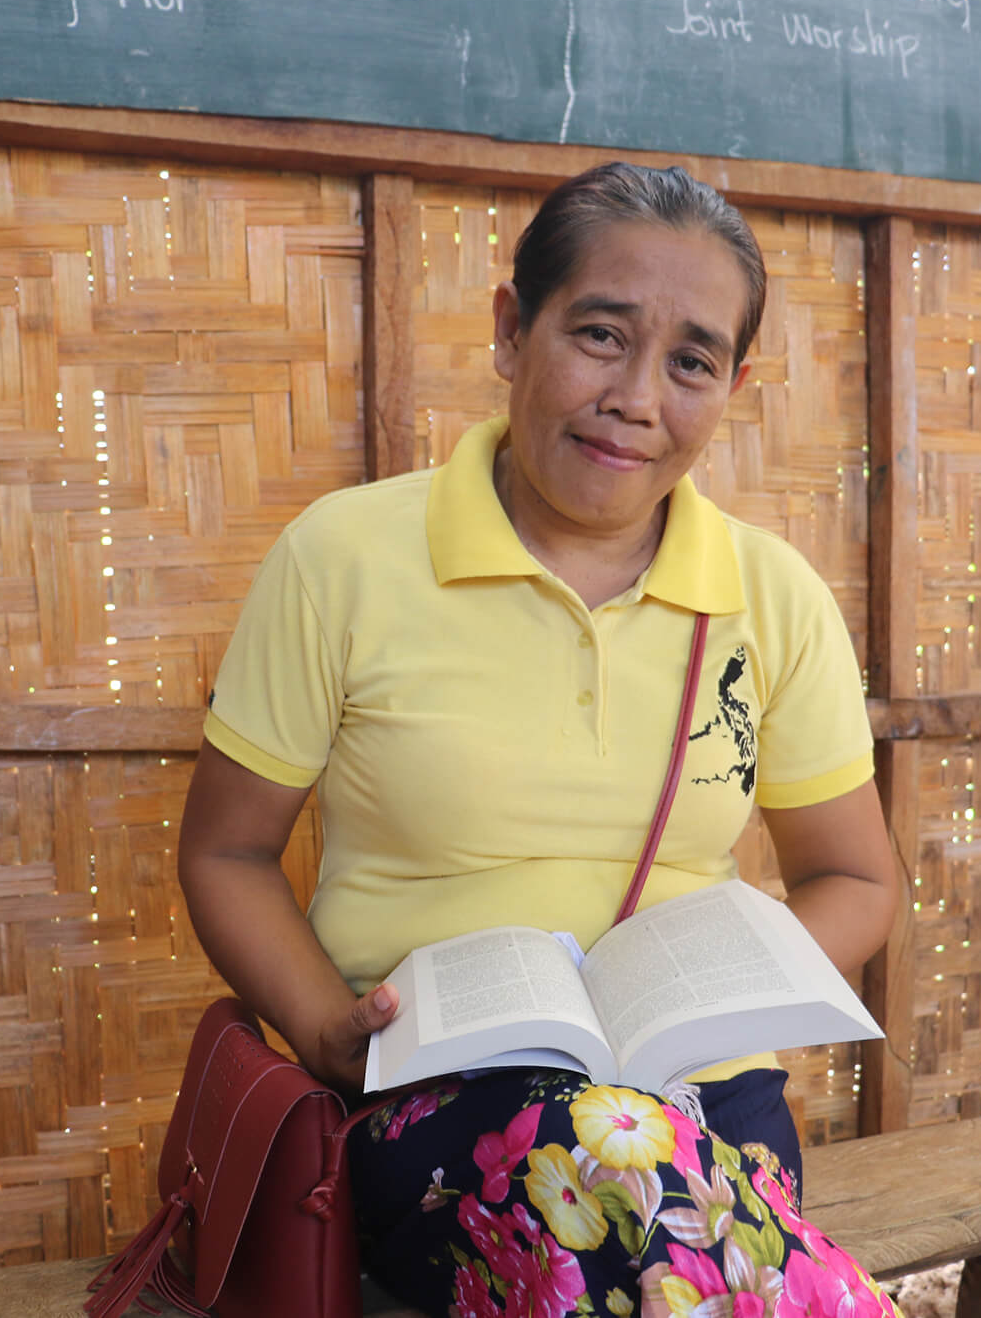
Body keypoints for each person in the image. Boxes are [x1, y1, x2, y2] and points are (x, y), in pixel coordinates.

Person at [178, 162, 905, 1318]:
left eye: (690, 361)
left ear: (733, 384)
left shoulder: (770, 598)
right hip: (427, 1101)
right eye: (600, 335)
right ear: (514, 331)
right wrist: (322, 1024)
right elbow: (225, 852)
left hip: (706, 1110)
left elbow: (853, 876)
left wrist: (734, 990)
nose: (634, 397)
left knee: (636, 1170)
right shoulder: (345, 559)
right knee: (608, 1171)